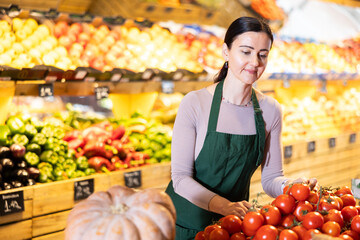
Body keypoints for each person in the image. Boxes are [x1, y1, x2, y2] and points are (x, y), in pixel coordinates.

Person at [165, 16, 318, 240]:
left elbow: (271, 178)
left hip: (232, 229)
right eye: (245, 52)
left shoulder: (271, 110)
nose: (255, 62)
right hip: (184, 226)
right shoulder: (195, 103)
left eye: (262, 55)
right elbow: (180, 178)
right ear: (226, 52)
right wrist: (224, 206)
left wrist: (290, 186)